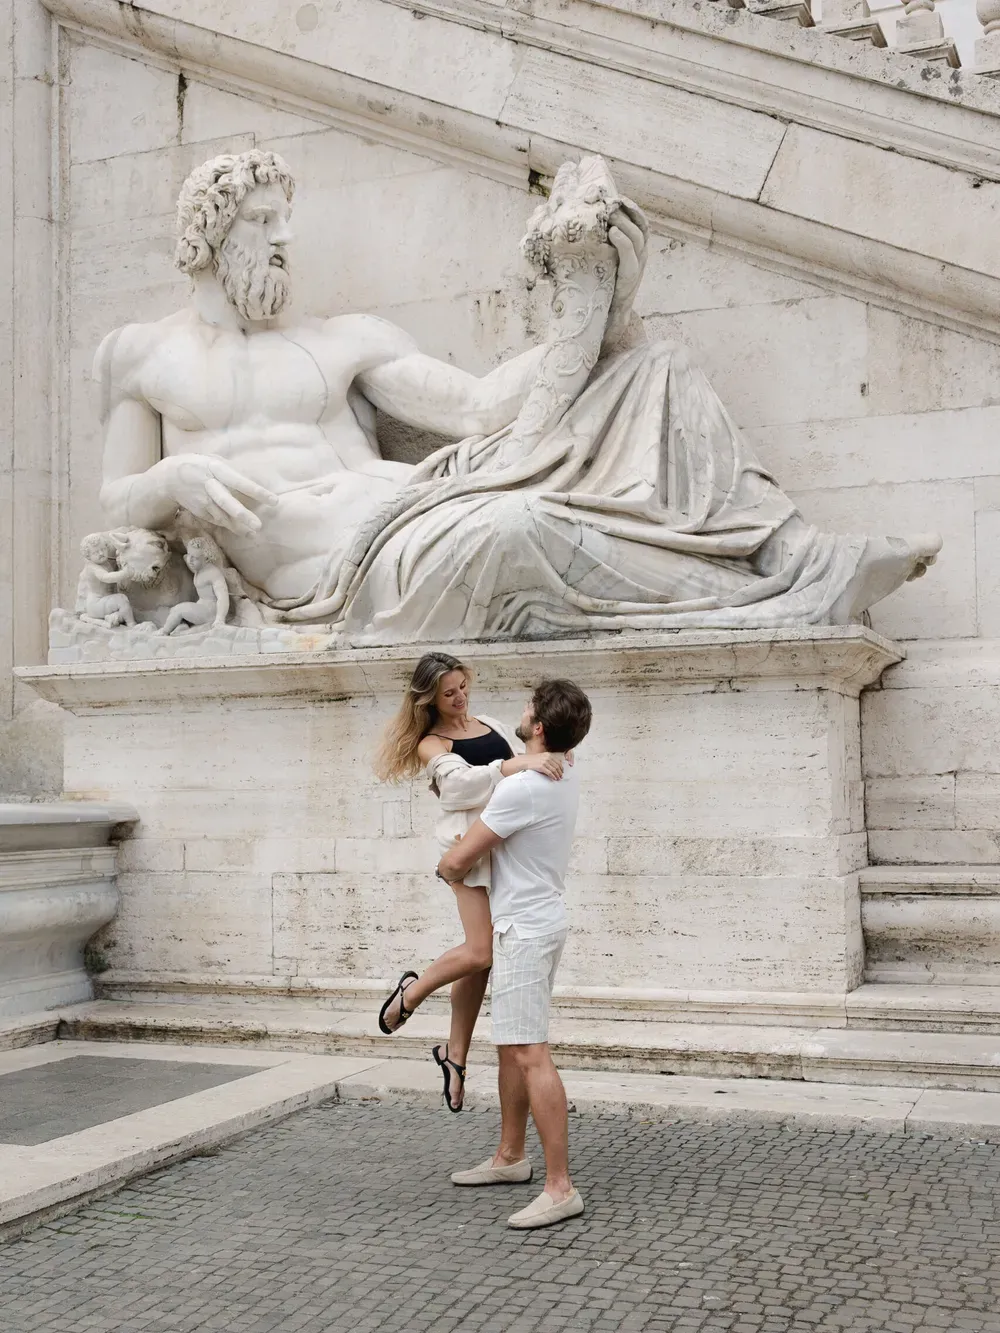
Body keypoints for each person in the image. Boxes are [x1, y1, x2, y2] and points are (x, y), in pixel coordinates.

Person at [373, 653, 567, 1112]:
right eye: (448, 693)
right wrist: (510, 768)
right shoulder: (431, 742)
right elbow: (459, 788)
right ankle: (411, 993)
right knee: (480, 951)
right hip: (465, 853)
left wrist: (547, 758)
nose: (460, 698)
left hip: (502, 852)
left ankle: (454, 1056)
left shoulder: (490, 723)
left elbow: (524, 765)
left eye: (462, 686)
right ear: (430, 699)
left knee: (481, 961)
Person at [437, 677, 591, 1230]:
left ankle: (560, 1187)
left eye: (528, 708)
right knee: (510, 1050)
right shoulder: (564, 769)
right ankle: (510, 1157)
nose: (519, 714)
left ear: (540, 728)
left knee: (530, 1054)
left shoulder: (522, 788)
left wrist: (447, 866)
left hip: (524, 930)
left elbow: (462, 860)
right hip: (535, 922)